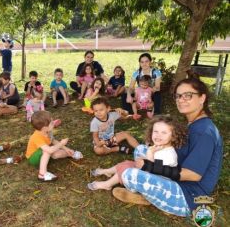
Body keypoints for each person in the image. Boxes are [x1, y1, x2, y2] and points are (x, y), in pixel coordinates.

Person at [113, 72, 223, 217]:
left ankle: (147, 197)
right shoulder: (195, 123)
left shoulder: (205, 132)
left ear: (202, 98)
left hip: (188, 196)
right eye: (178, 96)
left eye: (188, 95)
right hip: (176, 177)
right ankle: (151, 193)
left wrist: (149, 166)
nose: (181, 100)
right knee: (141, 150)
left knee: (130, 175)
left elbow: (193, 175)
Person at [88, 115, 186, 191]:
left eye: (163, 133)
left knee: (127, 168)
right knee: (127, 163)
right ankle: (108, 171)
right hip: (150, 175)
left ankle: (107, 184)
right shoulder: (160, 147)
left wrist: (150, 154)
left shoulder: (168, 155)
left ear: (173, 136)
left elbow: (152, 172)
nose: (158, 135)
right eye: (155, 131)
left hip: (156, 185)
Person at [25, 111, 83, 181]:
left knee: (56, 154)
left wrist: (67, 149)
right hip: (33, 158)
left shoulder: (48, 131)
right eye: (51, 123)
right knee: (47, 150)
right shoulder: (36, 137)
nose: (54, 123)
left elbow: (53, 141)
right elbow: (49, 150)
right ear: (44, 128)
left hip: (44, 154)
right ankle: (42, 174)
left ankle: (71, 153)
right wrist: (61, 143)